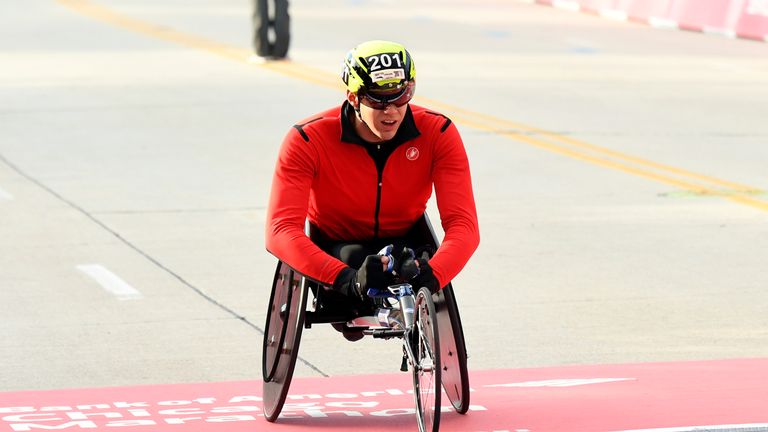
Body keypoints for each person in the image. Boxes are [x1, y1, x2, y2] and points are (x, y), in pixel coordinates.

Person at [265, 40, 479, 340]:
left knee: (416, 263)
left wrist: (433, 276)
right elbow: (280, 230)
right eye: (378, 101)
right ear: (353, 96)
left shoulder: (439, 133)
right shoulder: (307, 139)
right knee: (353, 260)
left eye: (402, 96)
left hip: (407, 236)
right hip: (339, 243)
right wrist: (347, 280)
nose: (391, 111)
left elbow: (465, 226)